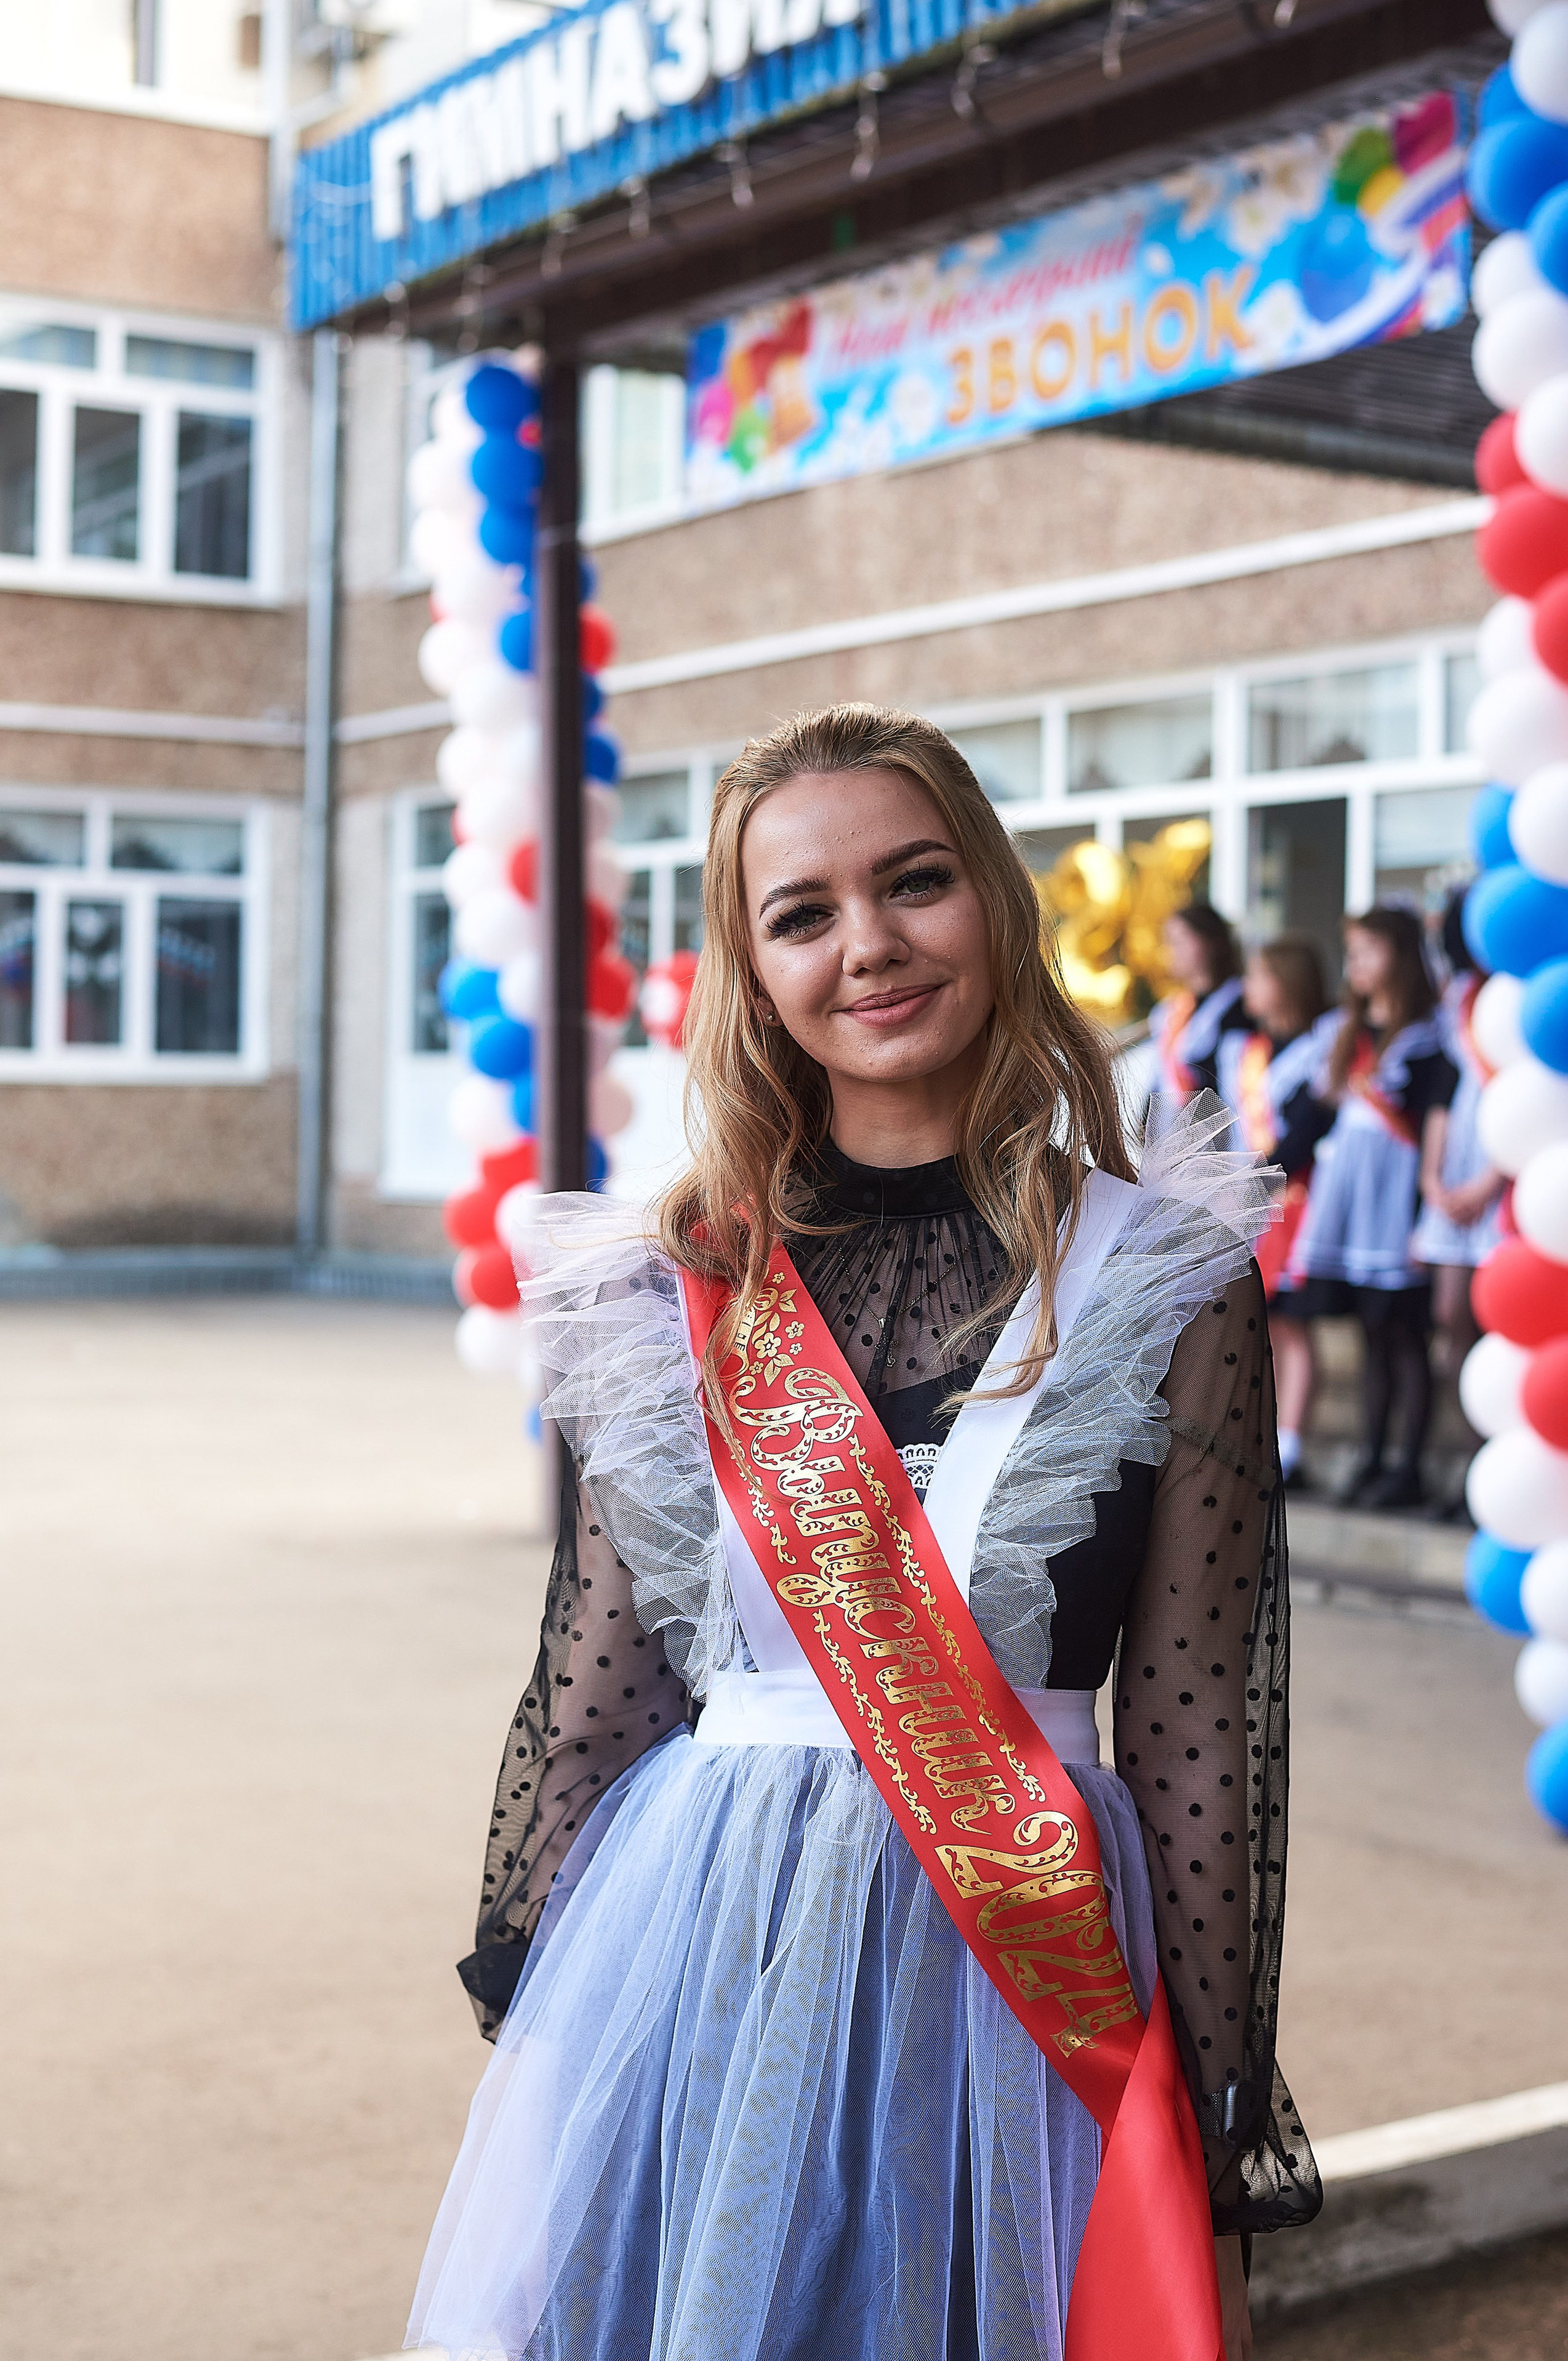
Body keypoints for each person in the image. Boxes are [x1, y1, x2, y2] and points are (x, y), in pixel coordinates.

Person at [409, 706, 1321, 2361]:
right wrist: (556, 2068)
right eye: (802, 912)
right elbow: (600, 1699)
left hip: (1024, 1990)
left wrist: (1211, 2123)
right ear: (753, 973)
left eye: (914, 881)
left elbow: (1197, 1728)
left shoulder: (1165, 1281)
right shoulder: (670, 1286)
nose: (870, 945)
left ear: (995, 900)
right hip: (710, 1948)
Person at [1290, 907, 1457, 1513]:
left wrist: (1424, 1215)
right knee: (1370, 1337)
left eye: (1369, 950)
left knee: (1405, 1336)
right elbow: (1314, 1117)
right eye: (1352, 952)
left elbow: (1435, 1129)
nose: (1356, 963)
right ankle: (1372, 1457)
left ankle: (1407, 1466)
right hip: (1350, 1208)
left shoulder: (1431, 1038)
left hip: (1397, 1208)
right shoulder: (1345, 1032)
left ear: (1403, 956)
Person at [1221, 938, 1335, 1493]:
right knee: (1263, 1325)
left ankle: (1293, 1445)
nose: (1248, 987)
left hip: (1296, 1202)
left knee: (1291, 1324)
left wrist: (1260, 1176)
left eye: (1259, 976)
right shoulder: (1248, 1050)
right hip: (1252, 1202)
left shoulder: (1320, 1048)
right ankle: (1262, 1439)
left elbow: (1308, 1130)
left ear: (1287, 982)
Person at [1412, 891, 1506, 1518]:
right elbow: (1442, 1093)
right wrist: (1433, 1178)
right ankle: (1473, 1460)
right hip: (1454, 1175)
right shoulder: (1456, 999)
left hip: (1504, 1181)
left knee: (1498, 1318)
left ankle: (1499, 1463)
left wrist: (1489, 1183)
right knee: (1451, 1315)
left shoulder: (1515, 994)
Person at [1149, 904, 1255, 1142]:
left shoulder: (1241, 1006)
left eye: (1180, 941)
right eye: (1169, 942)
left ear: (1210, 942)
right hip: (1173, 1136)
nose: (1172, 951)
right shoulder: (1175, 1009)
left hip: (1219, 1139)